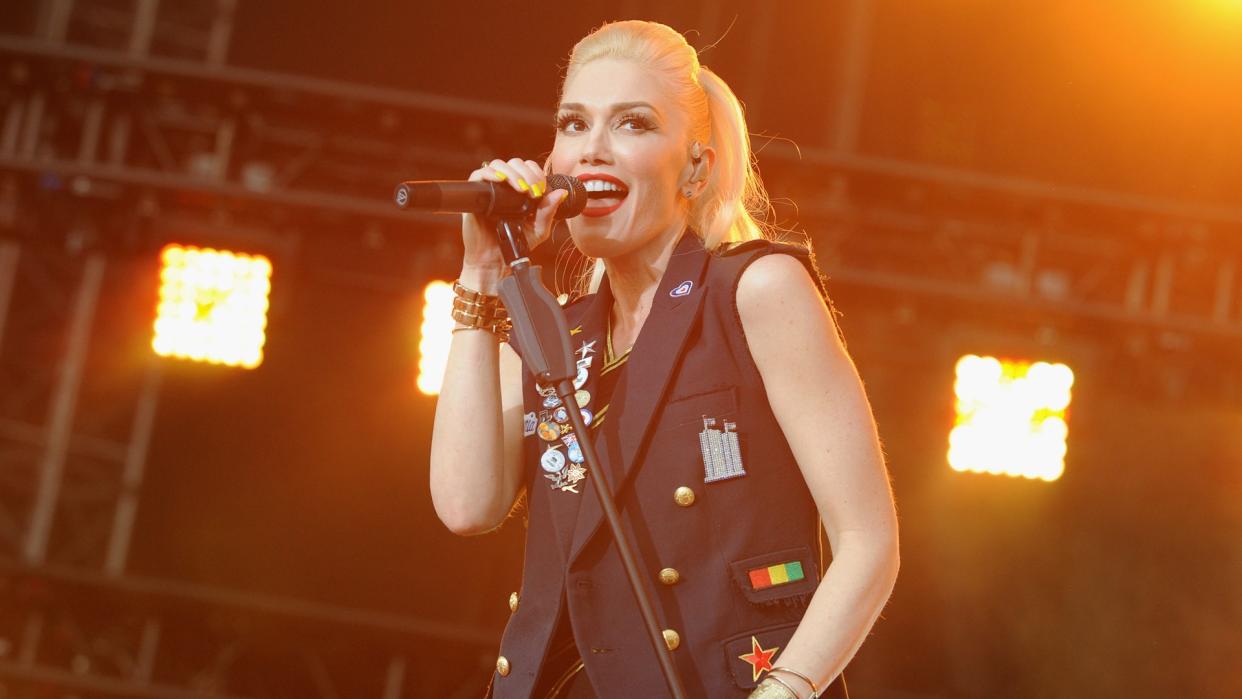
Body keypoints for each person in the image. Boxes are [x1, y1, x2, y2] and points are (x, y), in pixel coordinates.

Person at [429, 20, 899, 699]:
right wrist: (482, 272)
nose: (591, 150)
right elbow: (466, 504)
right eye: (573, 123)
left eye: (633, 125)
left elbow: (867, 540)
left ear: (697, 165)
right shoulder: (548, 332)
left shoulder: (755, 291)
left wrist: (783, 692)